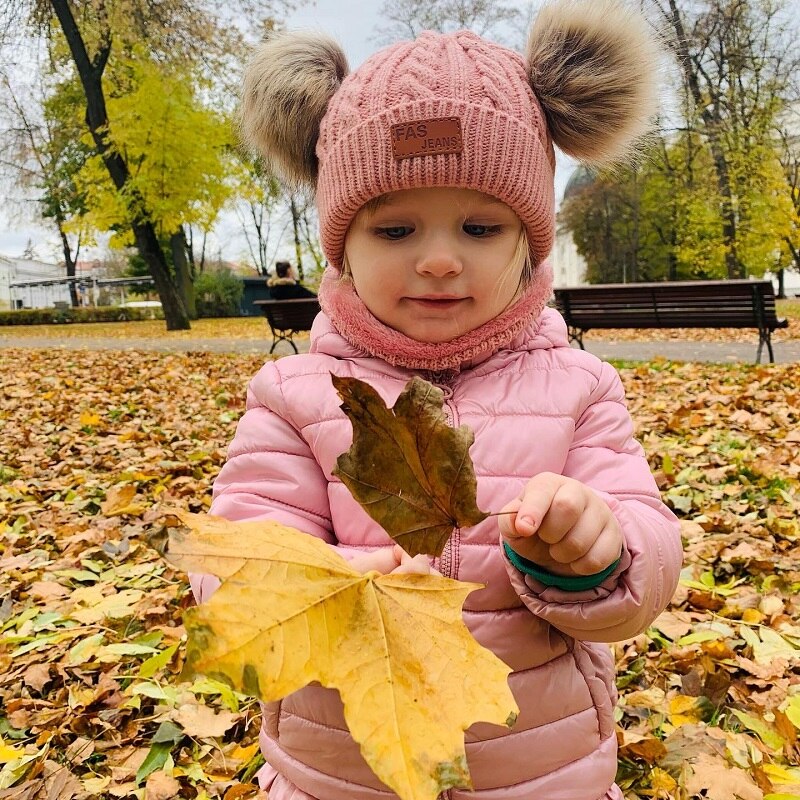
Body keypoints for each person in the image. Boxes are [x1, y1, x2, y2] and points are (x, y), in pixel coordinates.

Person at [192, 2, 683, 798]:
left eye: (481, 228)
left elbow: (646, 561)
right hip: (342, 774)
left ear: (530, 241)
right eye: (395, 232)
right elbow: (241, 556)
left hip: (538, 770)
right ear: (340, 244)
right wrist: (341, 583)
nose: (441, 261)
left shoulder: (579, 389)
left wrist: (598, 554)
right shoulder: (298, 397)